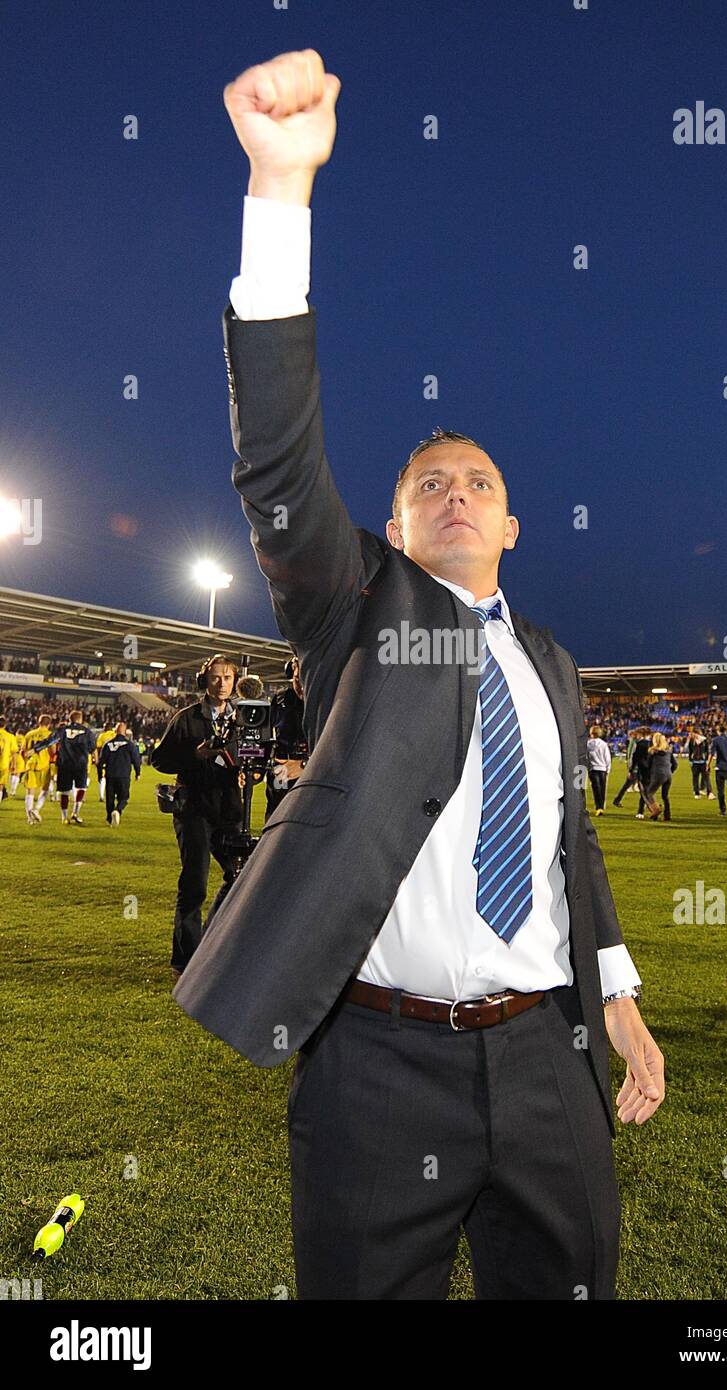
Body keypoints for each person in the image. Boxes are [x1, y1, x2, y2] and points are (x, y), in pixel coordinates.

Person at [173, 49, 664, 1302]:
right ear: (395, 531)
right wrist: (280, 193)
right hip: (377, 1068)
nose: (456, 493)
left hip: (550, 1056)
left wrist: (617, 999)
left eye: (480, 484)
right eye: (428, 485)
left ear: (513, 528)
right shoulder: (359, 612)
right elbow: (280, 468)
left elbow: (569, 841)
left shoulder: (552, 663)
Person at [151, 656, 242, 982]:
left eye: (228, 678)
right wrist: (194, 754)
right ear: (206, 680)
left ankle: (211, 945)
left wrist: (249, 775)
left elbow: (253, 759)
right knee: (195, 885)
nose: (222, 684)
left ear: (235, 680)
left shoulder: (246, 718)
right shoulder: (187, 717)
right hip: (194, 809)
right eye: (216, 678)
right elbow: (158, 759)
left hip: (230, 810)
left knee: (239, 877)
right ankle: (185, 960)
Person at [35, 711, 97, 824]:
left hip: (65, 764)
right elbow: (92, 748)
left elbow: (50, 741)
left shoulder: (62, 730)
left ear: (70, 719)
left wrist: (35, 749)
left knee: (64, 792)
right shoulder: (87, 732)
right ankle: (75, 813)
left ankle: (64, 817)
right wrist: (95, 759)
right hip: (80, 765)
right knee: (81, 788)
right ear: (80, 719)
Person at [265, 655, 307, 820]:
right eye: (298, 679)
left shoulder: (333, 702)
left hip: (314, 782)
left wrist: (304, 764)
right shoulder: (280, 700)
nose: (302, 686)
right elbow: (266, 740)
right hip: (280, 778)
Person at [98, 720, 141, 826]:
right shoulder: (130, 745)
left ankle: (109, 818)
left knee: (110, 798)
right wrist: (137, 773)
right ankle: (118, 810)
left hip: (110, 775)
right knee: (124, 797)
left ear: (115, 731)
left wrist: (100, 775)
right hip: (124, 775)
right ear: (125, 732)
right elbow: (136, 760)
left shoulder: (108, 744)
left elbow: (101, 762)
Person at [640, 733, 676, 821]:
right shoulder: (668, 751)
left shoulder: (652, 751)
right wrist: (669, 772)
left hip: (658, 775)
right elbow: (675, 764)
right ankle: (667, 816)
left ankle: (656, 810)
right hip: (668, 775)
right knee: (665, 796)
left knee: (649, 793)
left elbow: (648, 765)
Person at [586, 723, 611, 814]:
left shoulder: (588, 744)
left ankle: (598, 807)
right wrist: (608, 769)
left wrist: (588, 768)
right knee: (603, 788)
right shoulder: (603, 744)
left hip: (593, 769)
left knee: (596, 789)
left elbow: (587, 758)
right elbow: (607, 757)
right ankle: (602, 806)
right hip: (603, 769)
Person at [95, 720, 118, 802]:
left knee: (103, 777)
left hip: (105, 759)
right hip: (116, 760)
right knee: (115, 777)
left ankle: (101, 795)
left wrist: (97, 759)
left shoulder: (102, 736)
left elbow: (98, 747)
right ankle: (115, 794)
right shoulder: (116, 735)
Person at [686, 729, 712, 797]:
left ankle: (709, 792)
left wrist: (706, 760)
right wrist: (690, 760)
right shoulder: (692, 741)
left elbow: (707, 751)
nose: (692, 735)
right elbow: (690, 751)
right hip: (695, 762)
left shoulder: (704, 740)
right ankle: (696, 793)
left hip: (703, 762)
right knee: (695, 778)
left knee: (706, 777)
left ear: (697, 733)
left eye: (693, 733)